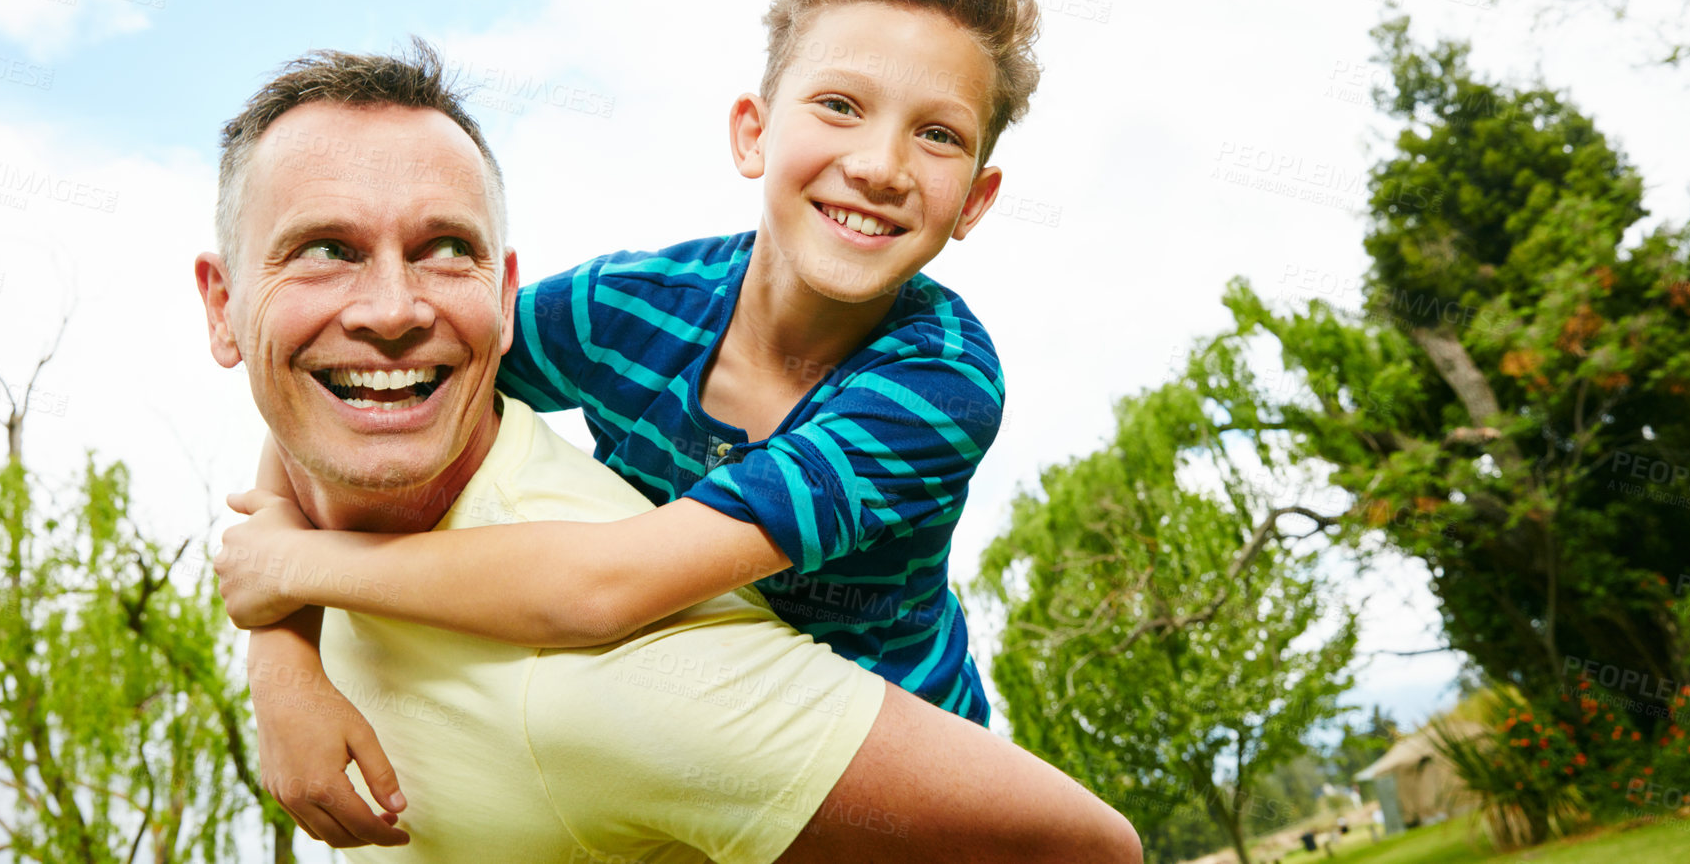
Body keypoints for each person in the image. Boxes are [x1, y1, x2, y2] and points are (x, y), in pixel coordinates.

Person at [199, 47, 1141, 861]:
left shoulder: (937, 387)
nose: (393, 310)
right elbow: (350, 385)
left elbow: (600, 589)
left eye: (938, 134)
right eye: (323, 249)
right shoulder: (627, 306)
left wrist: (289, 565)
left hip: (894, 723)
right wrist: (282, 654)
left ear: (977, 196)